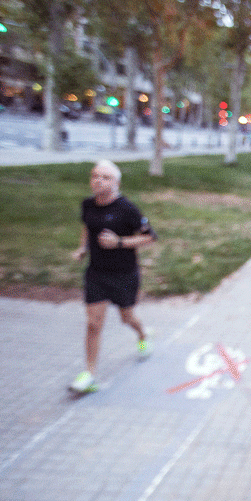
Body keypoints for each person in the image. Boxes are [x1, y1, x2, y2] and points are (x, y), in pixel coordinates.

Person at [69, 159, 157, 393]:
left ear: (116, 183)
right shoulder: (88, 205)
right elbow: (88, 227)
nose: (98, 180)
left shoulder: (127, 209)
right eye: (94, 175)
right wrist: (83, 248)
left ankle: (143, 334)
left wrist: (119, 242)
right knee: (93, 324)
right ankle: (89, 375)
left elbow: (150, 237)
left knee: (127, 318)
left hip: (124, 274)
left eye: (105, 177)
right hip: (96, 273)